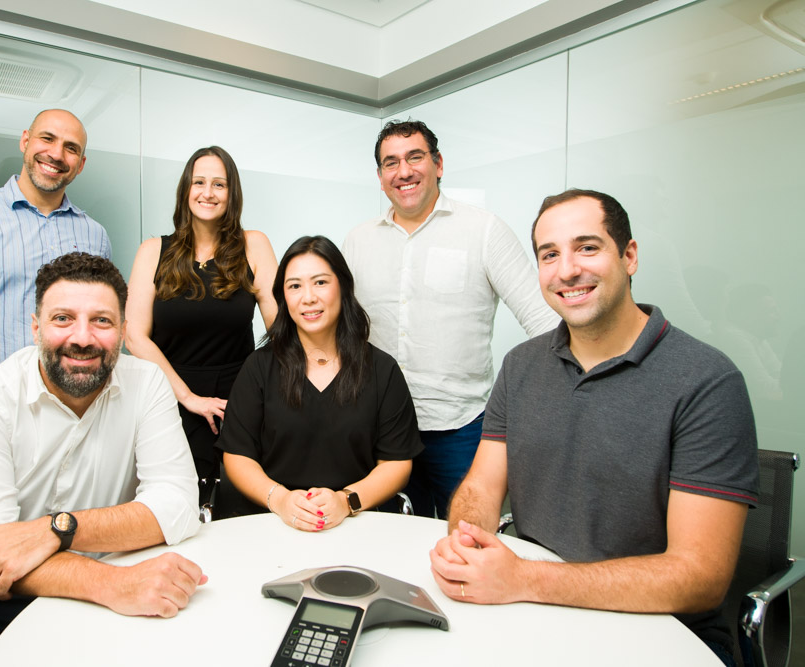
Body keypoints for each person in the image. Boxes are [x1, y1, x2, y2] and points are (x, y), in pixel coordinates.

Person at [429, 189, 759, 665]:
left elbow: (699, 576)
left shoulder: (706, 381)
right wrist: (466, 543)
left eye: (587, 247)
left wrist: (523, 578)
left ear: (629, 256)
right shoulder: (521, 365)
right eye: (549, 254)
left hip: (657, 633)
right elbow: (482, 485)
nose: (566, 270)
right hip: (533, 611)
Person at [0, 253, 203, 666]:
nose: (82, 337)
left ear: (124, 332)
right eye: (63, 319)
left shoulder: (147, 385)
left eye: (102, 321)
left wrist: (55, 530)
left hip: (119, 584)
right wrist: (110, 582)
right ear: (35, 327)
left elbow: (177, 506)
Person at [342, 119, 558, 519]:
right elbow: (341, 329)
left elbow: (544, 322)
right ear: (379, 176)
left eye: (415, 157)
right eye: (391, 162)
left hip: (461, 430)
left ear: (438, 163)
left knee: (467, 544)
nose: (403, 171)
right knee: (388, 543)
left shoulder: (484, 231)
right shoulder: (359, 240)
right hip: (379, 431)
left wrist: (528, 409)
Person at [217, 236, 422, 530]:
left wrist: (346, 501)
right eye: (295, 286)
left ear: (343, 286)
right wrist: (281, 500)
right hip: (273, 524)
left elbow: (396, 463)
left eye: (321, 282)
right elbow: (237, 456)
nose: (308, 297)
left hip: (359, 524)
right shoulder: (259, 367)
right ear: (283, 297)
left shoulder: (382, 370)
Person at [126, 146, 278, 505]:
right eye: (199, 182)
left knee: (237, 504)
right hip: (168, 396)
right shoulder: (153, 250)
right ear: (186, 189)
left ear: (232, 193)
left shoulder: (253, 245)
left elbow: (282, 327)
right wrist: (188, 398)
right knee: (177, 504)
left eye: (219, 184)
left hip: (237, 402)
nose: (207, 193)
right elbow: (134, 336)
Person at [0, 109, 111, 385]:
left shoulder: (95, 235)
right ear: (25, 141)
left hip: (77, 400)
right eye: (47, 138)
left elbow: (100, 321)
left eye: (70, 148)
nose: (57, 155)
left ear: (81, 164)